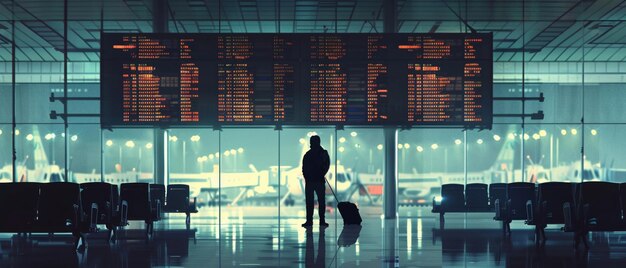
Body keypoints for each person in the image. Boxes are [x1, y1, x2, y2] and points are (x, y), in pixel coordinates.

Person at [301, 135, 330, 228]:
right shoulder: (323, 153)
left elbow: (304, 168)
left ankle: (309, 221)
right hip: (319, 180)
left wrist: (307, 177)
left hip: (310, 181)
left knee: (310, 202)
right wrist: (321, 173)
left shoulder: (308, 154)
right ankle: (322, 221)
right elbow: (327, 165)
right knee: (321, 201)